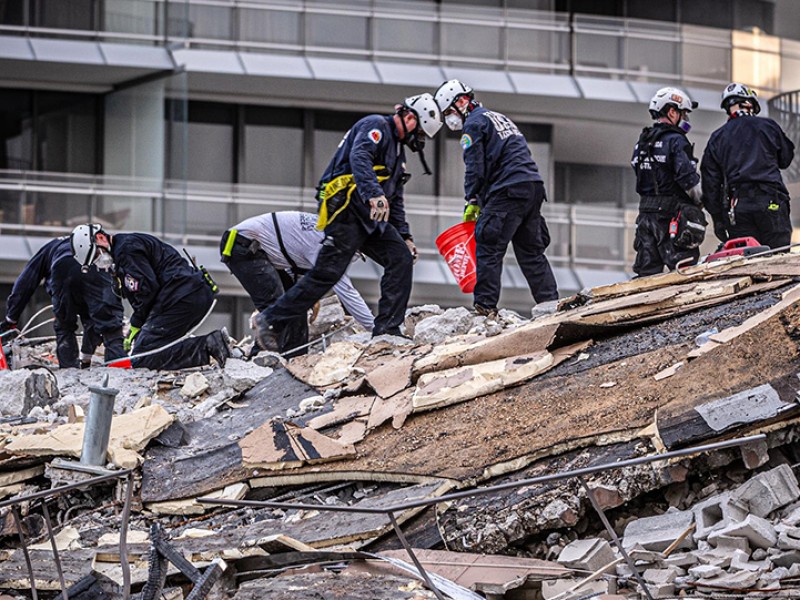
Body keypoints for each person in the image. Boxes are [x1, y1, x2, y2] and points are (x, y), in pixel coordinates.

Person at [253, 93, 442, 350]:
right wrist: (374, 194)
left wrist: (406, 236)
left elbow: (394, 199)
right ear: (410, 118)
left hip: (369, 219)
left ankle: (387, 328)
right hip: (345, 211)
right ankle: (270, 320)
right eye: (419, 131)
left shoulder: (397, 155)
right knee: (325, 274)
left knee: (400, 257)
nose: (419, 139)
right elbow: (360, 157)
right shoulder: (375, 126)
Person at [434, 79, 558, 317]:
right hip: (532, 187)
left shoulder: (474, 123)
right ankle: (550, 305)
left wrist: (472, 199)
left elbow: (475, 167)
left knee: (488, 245)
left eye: (449, 111)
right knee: (531, 253)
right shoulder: (498, 118)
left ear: (462, 101)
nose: (450, 118)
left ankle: (485, 307)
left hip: (507, 190)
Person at [70, 224, 230, 369]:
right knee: (151, 346)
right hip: (184, 294)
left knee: (143, 356)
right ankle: (212, 346)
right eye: (94, 261)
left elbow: (146, 290)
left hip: (183, 296)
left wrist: (136, 323)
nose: (99, 262)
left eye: (97, 255)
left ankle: (209, 344)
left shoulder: (126, 251)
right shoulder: (121, 255)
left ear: (100, 238)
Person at [221, 210, 375, 356]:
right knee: (277, 308)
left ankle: (294, 361)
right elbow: (346, 291)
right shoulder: (327, 244)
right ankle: (262, 361)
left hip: (261, 249)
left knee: (294, 306)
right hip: (243, 246)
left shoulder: (330, 231)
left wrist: (304, 294)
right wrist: (375, 328)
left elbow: (291, 257)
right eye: (355, 254)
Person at [0, 236, 125, 368]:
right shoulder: (103, 250)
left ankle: (69, 367)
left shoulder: (51, 248)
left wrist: (11, 318)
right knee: (109, 325)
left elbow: (26, 282)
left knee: (65, 325)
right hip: (94, 268)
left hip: (63, 269)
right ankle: (118, 367)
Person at [701, 83, 795, 249]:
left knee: (746, 260)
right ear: (749, 103)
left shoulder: (717, 137)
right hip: (771, 200)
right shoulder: (768, 127)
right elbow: (785, 159)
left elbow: (710, 183)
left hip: (738, 208)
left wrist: (718, 219)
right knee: (779, 258)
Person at [630, 87, 706, 277]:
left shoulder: (643, 141)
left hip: (645, 217)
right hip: (671, 217)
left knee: (646, 276)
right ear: (672, 112)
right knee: (683, 272)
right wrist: (702, 203)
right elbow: (689, 181)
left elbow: (636, 167)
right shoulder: (676, 141)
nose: (686, 120)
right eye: (684, 114)